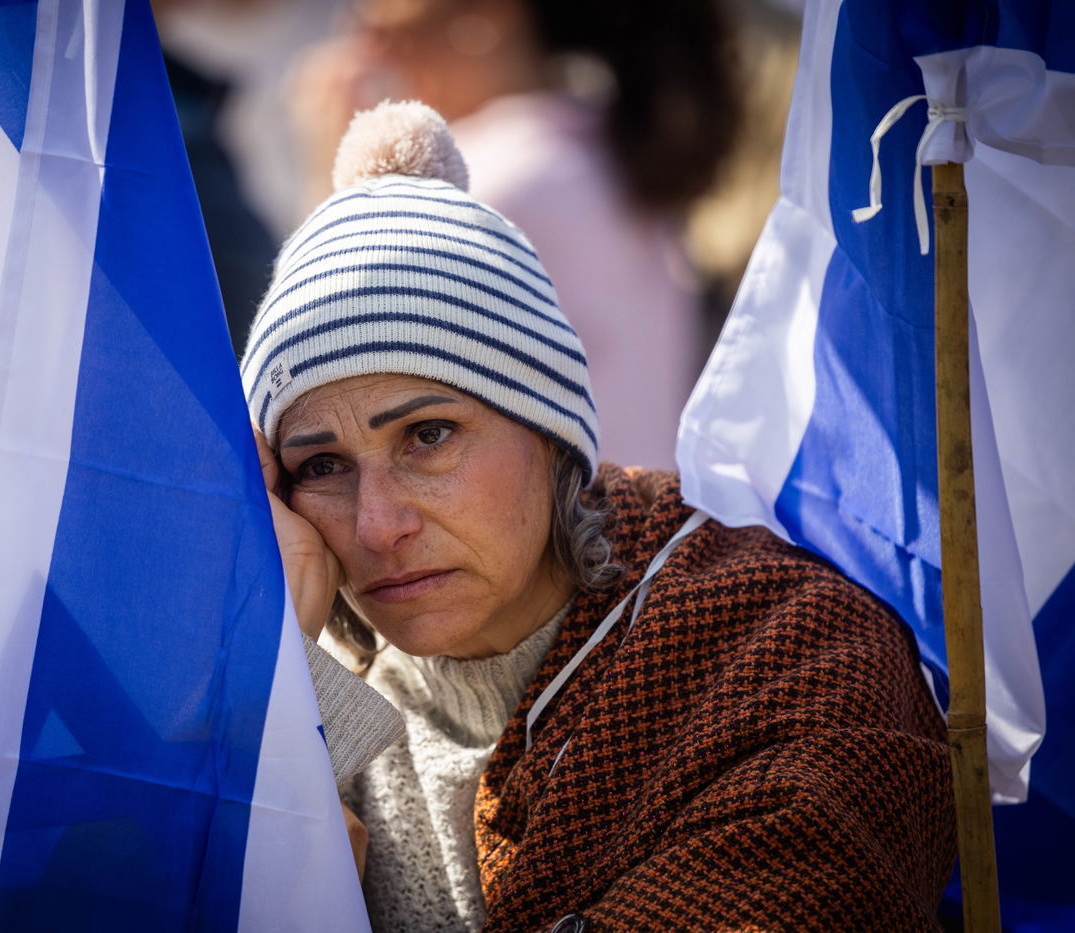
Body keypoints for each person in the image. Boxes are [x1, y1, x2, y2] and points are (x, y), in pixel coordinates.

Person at [242, 102, 956, 932]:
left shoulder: (792, 653)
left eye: (428, 435)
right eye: (320, 466)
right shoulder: (306, 691)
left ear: (552, 434)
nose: (377, 525)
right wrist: (264, 675)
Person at [286, 0, 741, 468]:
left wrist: (333, 172)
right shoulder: (597, 145)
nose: (363, 49)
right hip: (634, 521)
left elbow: (321, 364)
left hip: (568, 531)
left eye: (383, 31)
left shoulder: (493, 180)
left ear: (490, 14)